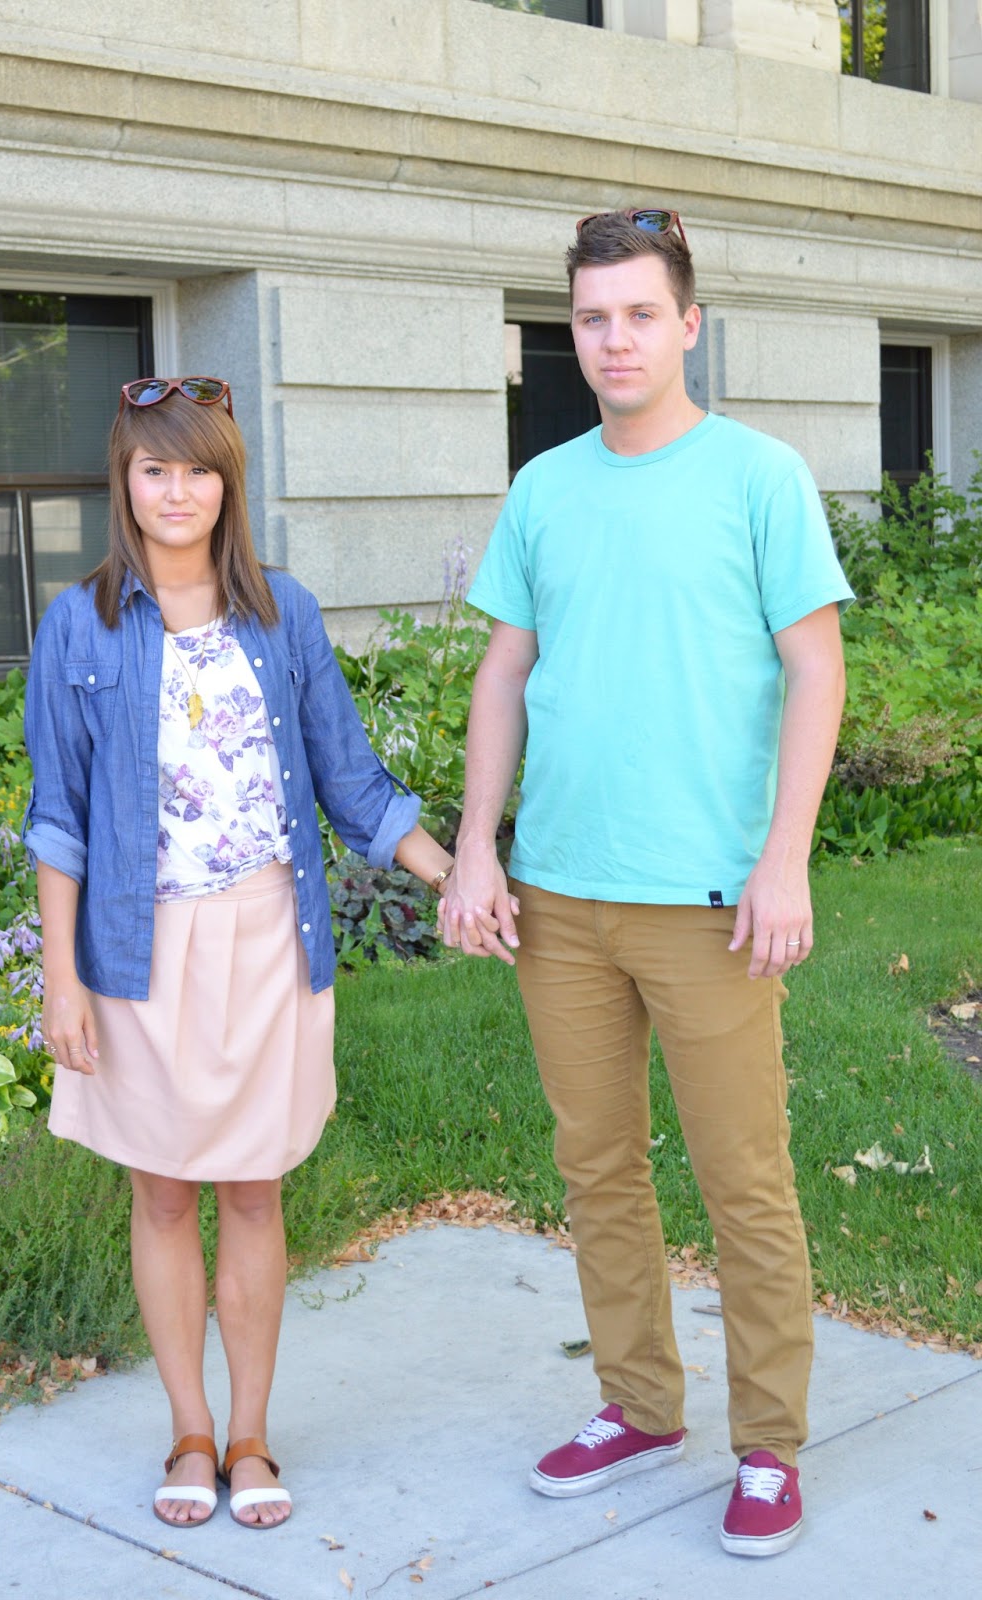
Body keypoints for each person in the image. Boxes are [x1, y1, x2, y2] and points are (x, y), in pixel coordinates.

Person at [439, 210, 853, 1558]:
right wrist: (477, 843)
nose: (613, 339)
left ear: (687, 324)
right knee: (597, 1167)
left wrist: (784, 856)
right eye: (591, 317)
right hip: (559, 898)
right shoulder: (544, 488)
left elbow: (816, 667)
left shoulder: (758, 475)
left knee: (744, 1179)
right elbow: (505, 671)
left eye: (637, 314)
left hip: (711, 901)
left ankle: (769, 1445)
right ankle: (638, 1404)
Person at [23, 376, 456, 1532]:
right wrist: (62, 977)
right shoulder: (78, 624)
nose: (178, 491)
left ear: (229, 483)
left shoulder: (282, 613)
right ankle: (189, 1430)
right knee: (163, 1193)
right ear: (124, 480)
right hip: (136, 948)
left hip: (266, 937)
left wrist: (451, 872)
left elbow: (350, 778)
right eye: (155, 468)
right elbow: (58, 816)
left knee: (254, 1190)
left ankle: (253, 1435)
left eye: (199, 469)